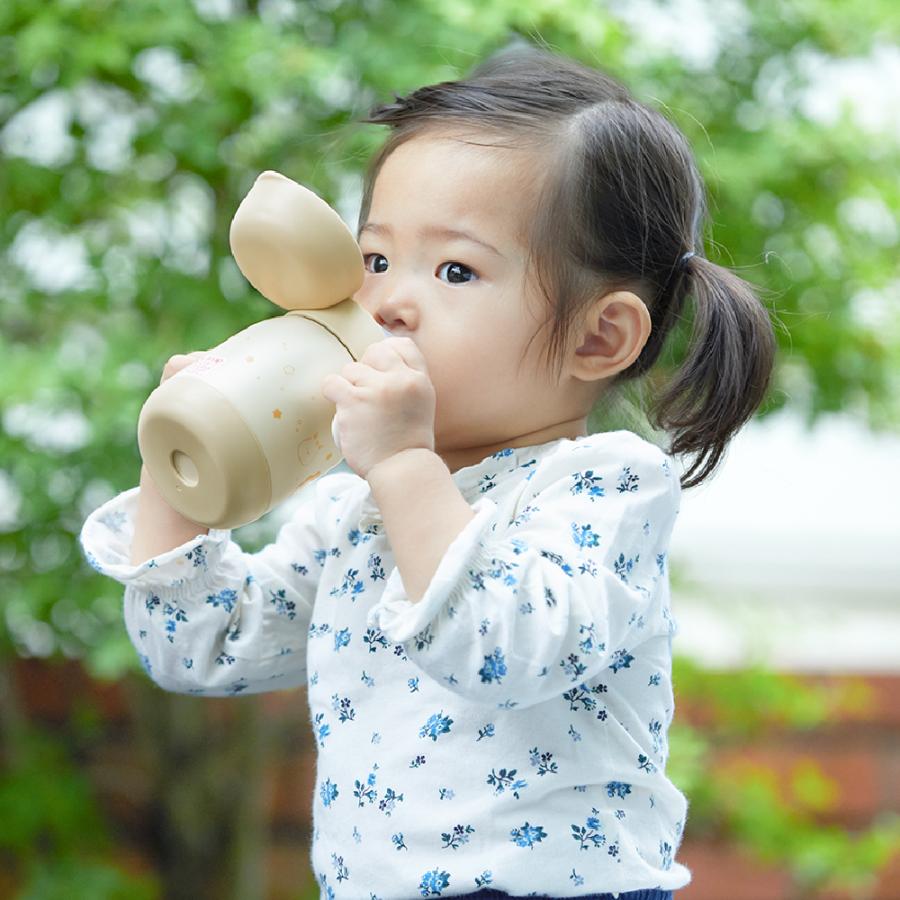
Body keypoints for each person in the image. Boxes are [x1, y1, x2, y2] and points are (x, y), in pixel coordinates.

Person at [79, 42, 776, 900]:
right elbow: (204, 647)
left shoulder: (600, 488)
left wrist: (405, 464)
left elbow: (501, 648)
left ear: (600, 337)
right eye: (374, 259)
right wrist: (177, 466)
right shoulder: (353, 509)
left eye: (454, 269)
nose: (388, 301)